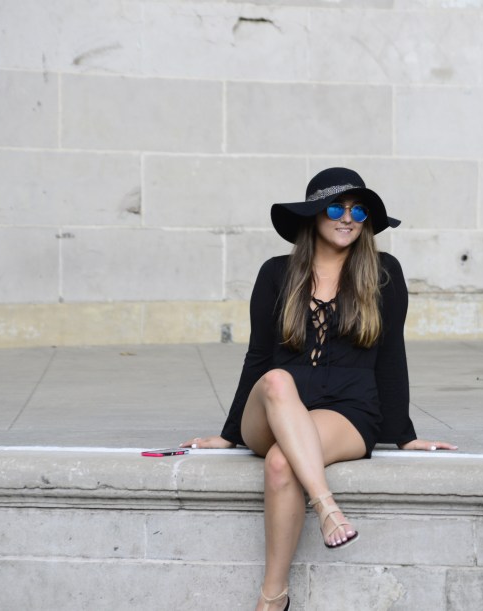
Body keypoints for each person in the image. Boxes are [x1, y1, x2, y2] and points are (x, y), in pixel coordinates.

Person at [180, 167, 457, 611]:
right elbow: (258, 356)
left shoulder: (383, 273)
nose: (348, 218)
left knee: (280, 463)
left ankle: (272, 598)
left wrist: (404, 435)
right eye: (335, 208)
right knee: (277, 378)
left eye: (358, 211)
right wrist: (229, 435)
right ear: (313, 216)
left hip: (346, 410)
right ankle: (327, 507)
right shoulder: (276, 273)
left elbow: (391, 355)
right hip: (274, 408)